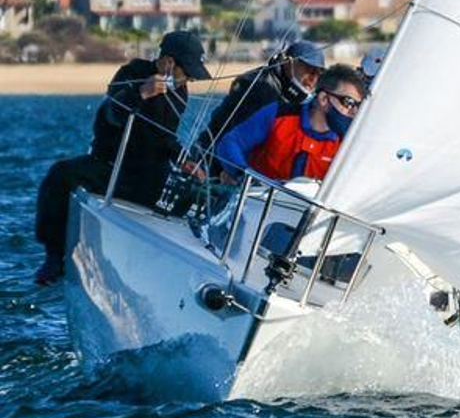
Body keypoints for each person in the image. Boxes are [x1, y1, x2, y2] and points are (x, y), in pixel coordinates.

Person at [34, 30, 212, 285]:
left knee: (198, 193)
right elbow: (108, 116)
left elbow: (164, 137)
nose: (191, 79)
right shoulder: (131, 74)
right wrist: (140, 94)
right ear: (169, 62)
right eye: (189, 72)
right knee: (58, 175)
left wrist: (184, 159)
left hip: (149, 174)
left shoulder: (180, 93)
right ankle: (53, 257)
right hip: (110, 168)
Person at [213, 64, 366, 183]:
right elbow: (230, 143)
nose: (353, 112)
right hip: (255, 206)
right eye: (349, 103)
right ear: (324, 99)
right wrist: (242, 174)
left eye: (358, 106)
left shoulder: (349, 142)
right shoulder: (278, 114)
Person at [198, 39, 326, 152]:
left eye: (318, 73)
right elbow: (239, 138)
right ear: (289, 63)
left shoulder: (288, 89)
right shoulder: (258, 87)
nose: (314, 79)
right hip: (215, 160)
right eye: (309, 70)